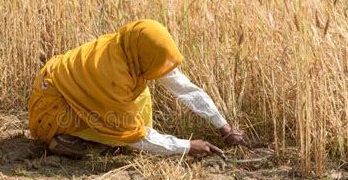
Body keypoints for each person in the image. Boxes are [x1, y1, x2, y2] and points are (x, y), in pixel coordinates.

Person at [28, 19, 248, 158]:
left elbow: (184, 87)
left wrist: (224, 126)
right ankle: (65, 139)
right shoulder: (113, 76)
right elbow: (136, 137)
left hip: (80, 91)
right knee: (123, 134)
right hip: (54, 108)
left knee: (142, 90)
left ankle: (112, 136)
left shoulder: (130, 49)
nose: (163, 68)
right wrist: (186, 147)